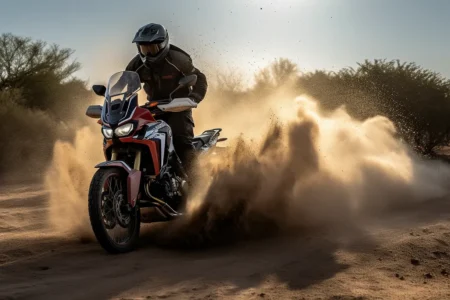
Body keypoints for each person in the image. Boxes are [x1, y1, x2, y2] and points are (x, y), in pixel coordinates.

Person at [125, 23, 208, 175]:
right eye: (144, 48)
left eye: (153, 48)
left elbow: (199, 78)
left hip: (178, 106)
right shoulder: (136, 65)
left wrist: (194, 97)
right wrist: (118, 103)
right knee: (134, 137)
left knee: (181, 141)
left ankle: (197, 183)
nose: (149, 53)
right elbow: (126, 85)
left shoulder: (178, 59)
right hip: (153, 107)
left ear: (164, 44)